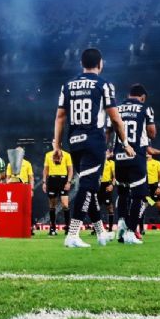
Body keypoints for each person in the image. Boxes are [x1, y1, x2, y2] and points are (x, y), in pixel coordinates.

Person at [53, 48, 135, 248]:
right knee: (89, 186)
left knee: (90, 186)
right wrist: (124, 143)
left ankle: (100, 232)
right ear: (101, 64)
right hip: (94, 140)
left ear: (81, 63)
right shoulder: (103, 84)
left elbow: (60, 117)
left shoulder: (68, 85)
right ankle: (72, 234)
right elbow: (115, 118)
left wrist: (57, 145)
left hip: (75, 142)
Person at [110, 84, 157, 245]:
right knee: (138, 195)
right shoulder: (145, 108)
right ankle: (131, 231)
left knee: (122, 192)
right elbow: (152, 133)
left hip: (119, 156)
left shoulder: (116, 108)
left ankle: (122, 222)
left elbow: (108, 131)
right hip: (136, 155)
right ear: (142, 97)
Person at [42, 144, 73, 236]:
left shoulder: (66, 155)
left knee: (65, 204)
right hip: (52, 180)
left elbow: (70, 170)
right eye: (53, 142)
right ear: (52, 144)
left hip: (63, 180)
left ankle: (68, 228)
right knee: (52, 205)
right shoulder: (48, 155)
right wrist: (44, 182)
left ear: (60, 144)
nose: (55, 144)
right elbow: (45, 169)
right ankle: (52, 228)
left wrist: (69, 182)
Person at [5, 146, 35, 235]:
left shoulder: (27, 163)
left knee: (27, 209)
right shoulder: (10, 164)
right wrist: (7, 188)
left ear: (23, 153)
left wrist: (31, 189)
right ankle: (13, 227)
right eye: (17, 151)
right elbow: (8, 178)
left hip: (25, 187)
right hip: (13, 187)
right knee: (14, 208)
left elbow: (31, 178)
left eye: (20, 152)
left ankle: (30, 227)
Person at [143, 152, 160, 236]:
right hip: (144, 187)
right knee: (142, 207)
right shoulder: (141, 162)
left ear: (151, 153)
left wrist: (159, 186)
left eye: (148, 152)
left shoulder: (157, 163)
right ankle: (141, 229)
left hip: (154, 187)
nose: (147, 153)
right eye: (145, 151)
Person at [96, 156, 115, 234]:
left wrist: (112, 185)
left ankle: (110, 228)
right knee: (96, 207)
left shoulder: (111, 163)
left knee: (109, 207)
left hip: (106, 185)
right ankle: (97, 229)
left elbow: (114, 177)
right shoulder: (97, 162)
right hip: (97, 186)